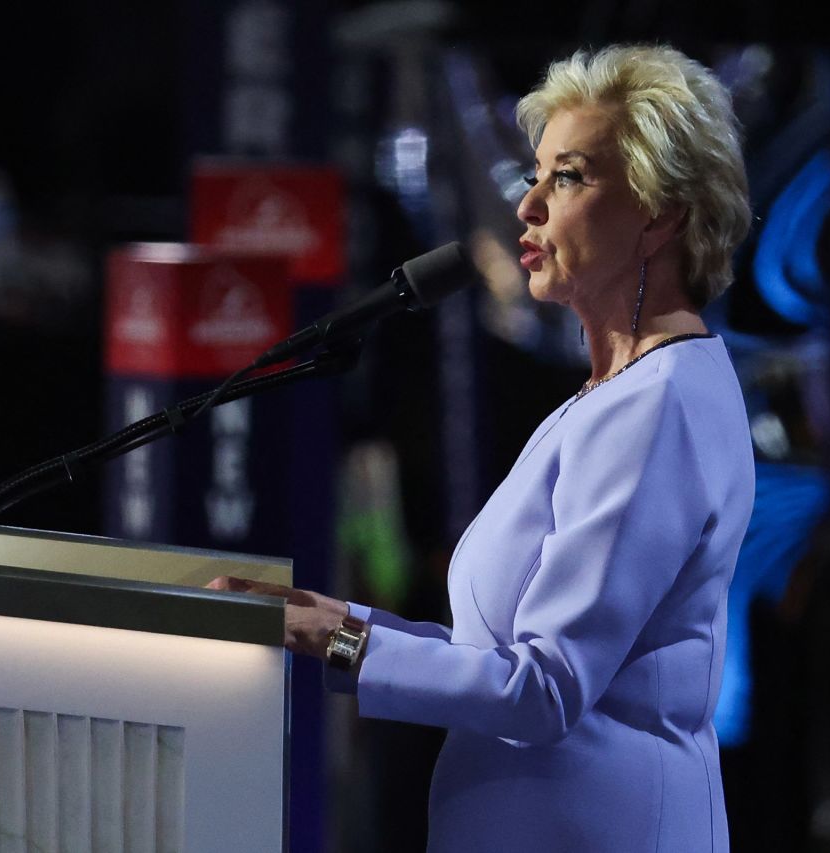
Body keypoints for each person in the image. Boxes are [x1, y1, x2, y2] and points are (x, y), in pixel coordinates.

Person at [210, 44, 754, 852]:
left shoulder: (658, 406)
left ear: (661, 214)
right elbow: (493, 657)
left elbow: (545, 688)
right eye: (535, 174)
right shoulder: (610, 395)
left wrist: (346, 642)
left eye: (568, 177)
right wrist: (334, 620)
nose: (527, 205)